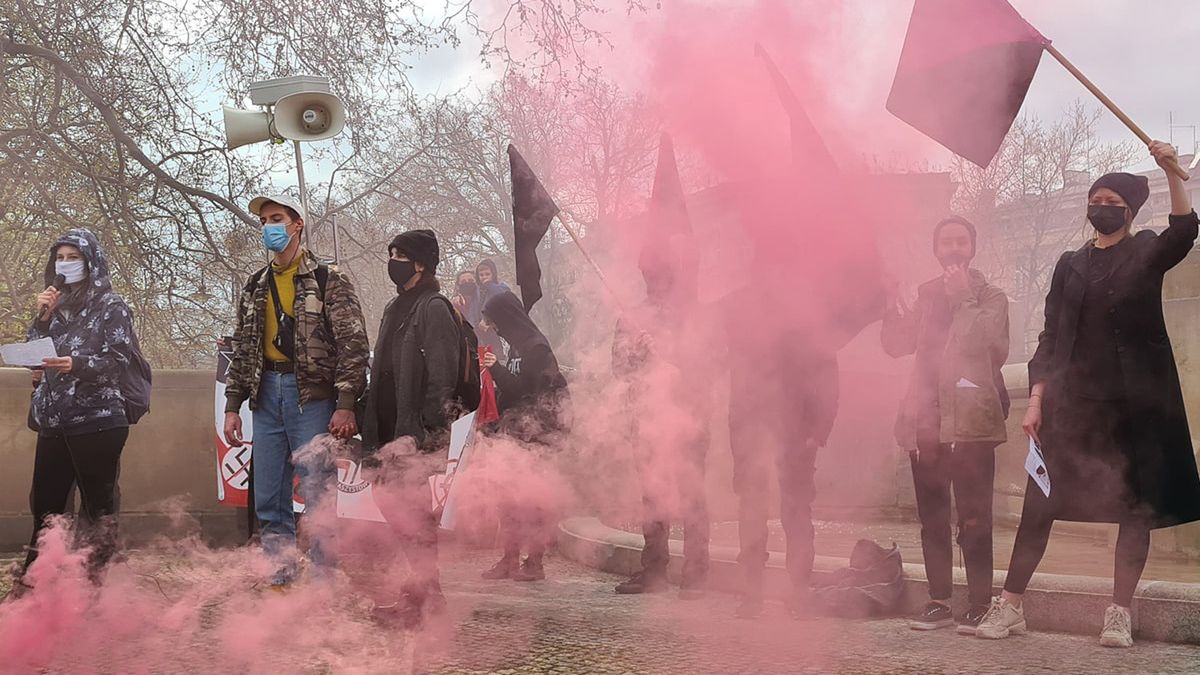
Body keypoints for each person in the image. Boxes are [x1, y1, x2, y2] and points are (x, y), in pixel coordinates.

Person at [977, 142, 1200, 648]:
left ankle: (1118, 612)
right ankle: (1010, 605)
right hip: (1074, 409)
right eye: (1095, 197)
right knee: (1041, 503)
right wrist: (1036, 400)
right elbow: (1051, 334)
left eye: (1111, 199)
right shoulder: (1068, 264)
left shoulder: (1145, 250)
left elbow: (1184, 233)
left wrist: (1174, 175)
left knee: (1135, 508)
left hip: (1136, 408)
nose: (1101, 205)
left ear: (1127, 209)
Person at [222, 195, 370, 588]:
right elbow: (243, 347)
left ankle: (325, 578)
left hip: (313, 398)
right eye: (265, 220)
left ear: (297, 223)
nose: (270, 226)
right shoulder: (256, 284)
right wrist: (233, 405)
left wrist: (345, 403)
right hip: (266, 393)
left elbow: (353, 344)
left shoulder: (327, 278)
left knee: (318, 489)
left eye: (277, 218)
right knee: (269, 493)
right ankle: (279, 573)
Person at [881, 216, 1009, 635]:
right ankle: (938, 600)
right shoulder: (926, 297)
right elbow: (897, 346)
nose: (953, 249)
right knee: (932, 516)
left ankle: (979, 601)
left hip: (972, 422)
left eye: (961, 241)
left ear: (972, 247)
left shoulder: (991, 297)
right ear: (935, 250)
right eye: (945, 242)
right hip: (927, 420)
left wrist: (964, 297)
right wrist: (891, 303)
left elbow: (988, 346)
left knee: (975, 517)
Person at [14, 230, 138, 595]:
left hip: (98, 421)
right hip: (55, 419)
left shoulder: (111, 305)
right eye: (60, 257)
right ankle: (35, 586)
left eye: (73, 256)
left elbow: (119, 361)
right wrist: (41, 320)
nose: (64, 264)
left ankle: (96, 589)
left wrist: (76, 364)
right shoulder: (55, 308)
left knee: (97, 511)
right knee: (46, 508)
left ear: (91, 261)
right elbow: (32, 353)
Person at [359, 228, 463, 628]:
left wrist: (421, 434)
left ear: (421, 263)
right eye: (390, 253)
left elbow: (442, 379)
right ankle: (422, 593)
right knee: (398, 511)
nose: (392, 261)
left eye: (399, 255)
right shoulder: (394, 307)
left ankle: (424, 599)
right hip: (385, 431)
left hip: (411, 437)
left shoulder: (434, 307)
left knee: (413, 517)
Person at [723, 283, 839, 619]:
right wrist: (738, 433)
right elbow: (737, 383)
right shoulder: (743, 317)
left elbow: (826, 375)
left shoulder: (807, 317)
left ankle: (799, 589)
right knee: (751, 511)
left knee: (797, 512)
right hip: (750, 432)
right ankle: (752, 590)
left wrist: (819, 430)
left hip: (796, 432)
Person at [610, 249, 711, 598]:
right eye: (646, 270)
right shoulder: (631, 316)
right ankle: (653, 569)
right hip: (647, 419)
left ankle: (697, 571)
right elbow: (619, 369)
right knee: (653, 495)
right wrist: (635, 352)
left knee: (691, 493)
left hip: (688, 418)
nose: (651, 276)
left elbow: (708, 365)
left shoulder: (692, 314)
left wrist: (670, 357)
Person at [477, 290, 569, 583]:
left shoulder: (536, 348)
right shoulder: (517, 347)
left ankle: (535, 561)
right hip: (516, 433)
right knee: (510, 500)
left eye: (495, 321)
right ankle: (510, 558)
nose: (495, 328)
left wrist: (496, 370)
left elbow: (528, 392)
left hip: (539, 436)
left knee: (534, 501)